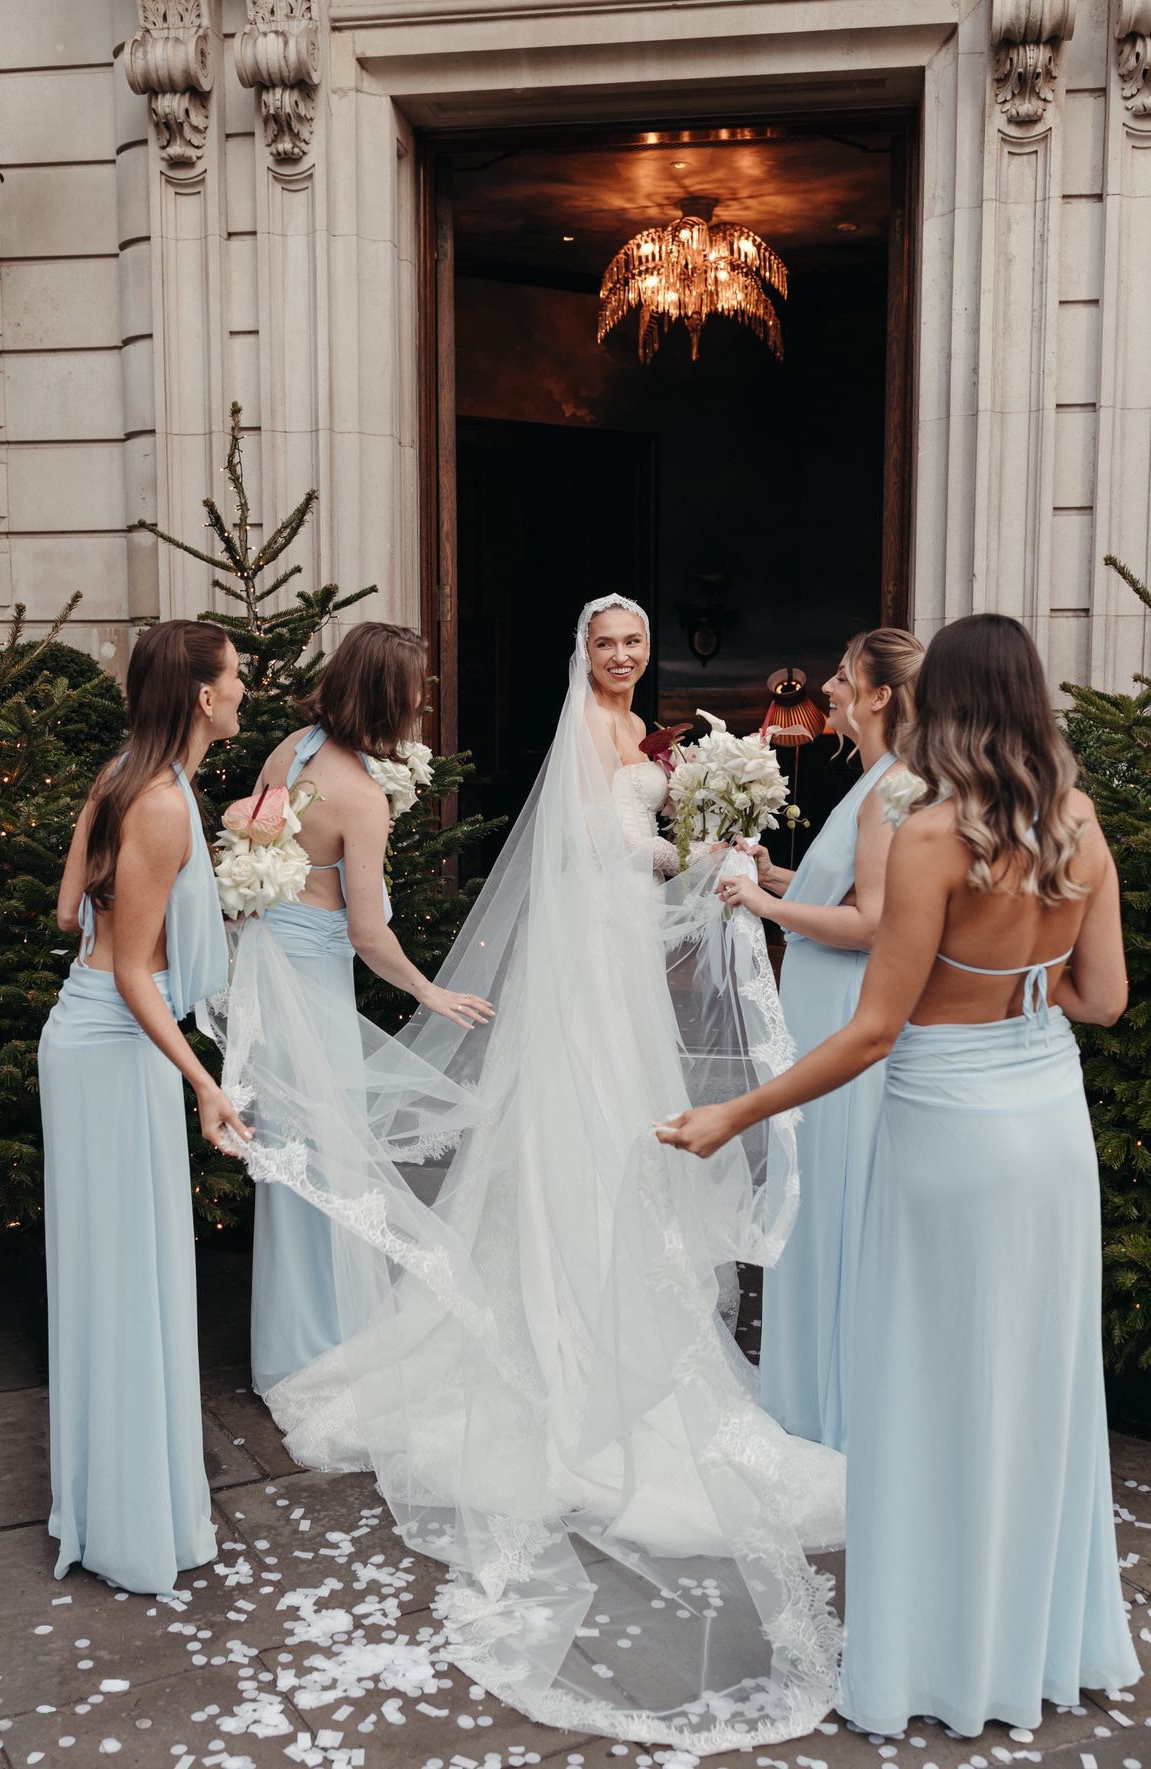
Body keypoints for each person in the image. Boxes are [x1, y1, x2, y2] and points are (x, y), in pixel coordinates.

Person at [216, 593, 846, 1752]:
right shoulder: (580, 738)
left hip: (621, 960)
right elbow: (600, 844)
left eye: (634, 643)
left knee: (641, 1125)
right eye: (607, 642)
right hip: (589, 965)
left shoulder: (650, 737)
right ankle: (564, 1317)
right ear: (582, 653)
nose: (622, 657)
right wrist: (691, 849)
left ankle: (608, 1291)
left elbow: (639, 848)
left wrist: (704, 847)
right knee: (588, 1123)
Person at [658, 612, 1140, 1735]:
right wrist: (1027, 992)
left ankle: (933, 1652)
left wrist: (734, 1107)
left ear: (950, 700)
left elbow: (875, 1030)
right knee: (1036, 1388)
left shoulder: (931, 833)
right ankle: (1033, 1642)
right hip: (1051, 1127)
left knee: (929, 1386)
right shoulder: (1078, 822)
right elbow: (1105, 998)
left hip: (948, 1130)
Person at [39, 620, 252, 1595]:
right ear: (204, 697)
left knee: (111, 1277)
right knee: (130, 1279)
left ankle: (111, 1511)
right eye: (237, 676)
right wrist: (205, 1081)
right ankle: (131, 1525)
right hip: (117, 1047)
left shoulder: (124, 773)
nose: (245, 688)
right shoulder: (161, 800)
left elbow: (65, 915)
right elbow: (133, 971)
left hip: (81, 1038)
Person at [246, 621, 493, 1394]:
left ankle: (292, 1342)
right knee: (329, 1165)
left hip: (269, 970)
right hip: (312, 985)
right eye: (416, 688)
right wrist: (428, 989)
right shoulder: (359, 797)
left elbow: (256, 856)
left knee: (293, 1170)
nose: (423, 700)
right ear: (391, 696)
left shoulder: (292, 749)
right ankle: (320, 1348)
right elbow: (367, 931)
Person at [720, 628, 924, 1449]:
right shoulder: (870, 778)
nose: (829, 689)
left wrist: (766, 909)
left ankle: (827, 1408)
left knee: (830, 1197)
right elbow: (841, 891)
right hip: (818, 1008)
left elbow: (872, 925)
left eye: (842, 678)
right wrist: (774, 876)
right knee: (809, 1191)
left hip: (845, 1010)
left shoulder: (891, 787)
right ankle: (803, 1394)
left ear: (878, 695)